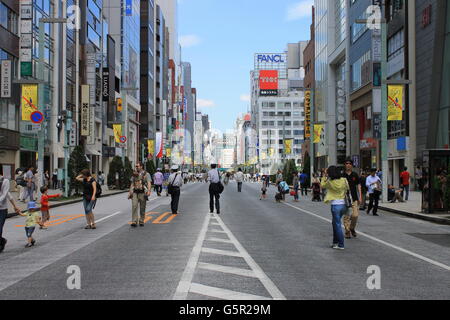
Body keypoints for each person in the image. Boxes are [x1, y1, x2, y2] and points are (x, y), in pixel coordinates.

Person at [321, 166, 350, 250]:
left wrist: (324, 176)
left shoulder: (330, 182)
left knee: (337, 225)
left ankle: (341, 244)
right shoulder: (344, 180)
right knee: (334, 223)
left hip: (335, 205)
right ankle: (335, 242)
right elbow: (347, 188)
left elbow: (322, 185)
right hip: (344, 205)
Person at [0, 170, 22, 253]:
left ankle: (1, 243)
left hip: (2, 209)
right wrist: (15, 205)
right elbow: (9, 195)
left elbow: (5, 194)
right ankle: (2, 241)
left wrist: (15, 206)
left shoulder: (5, 181)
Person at [342, 158, 362, 239]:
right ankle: (347, 231)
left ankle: (352, 228)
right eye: (346, 163)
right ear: (345, 165)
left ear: (352, 165)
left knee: (355, 215)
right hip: (345, 198)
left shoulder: (355, 175)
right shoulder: (342, 175)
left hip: (354, 197)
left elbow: (358, 186)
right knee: (346, 216)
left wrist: (360, 196)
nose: (348, 165)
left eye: (349, 163)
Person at [128, 162, 151, 227]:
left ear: (141, 166)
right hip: (135, 192)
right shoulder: (134, 174)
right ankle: (134, 221)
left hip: (143, 192)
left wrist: (149, 191)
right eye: (136, 166)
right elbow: (132, 183)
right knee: (134, 206)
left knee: (142, 207)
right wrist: (130, 192)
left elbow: (149, 183)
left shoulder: (146, 174)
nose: (136, 167)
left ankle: (141, 220)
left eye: (137, 166)